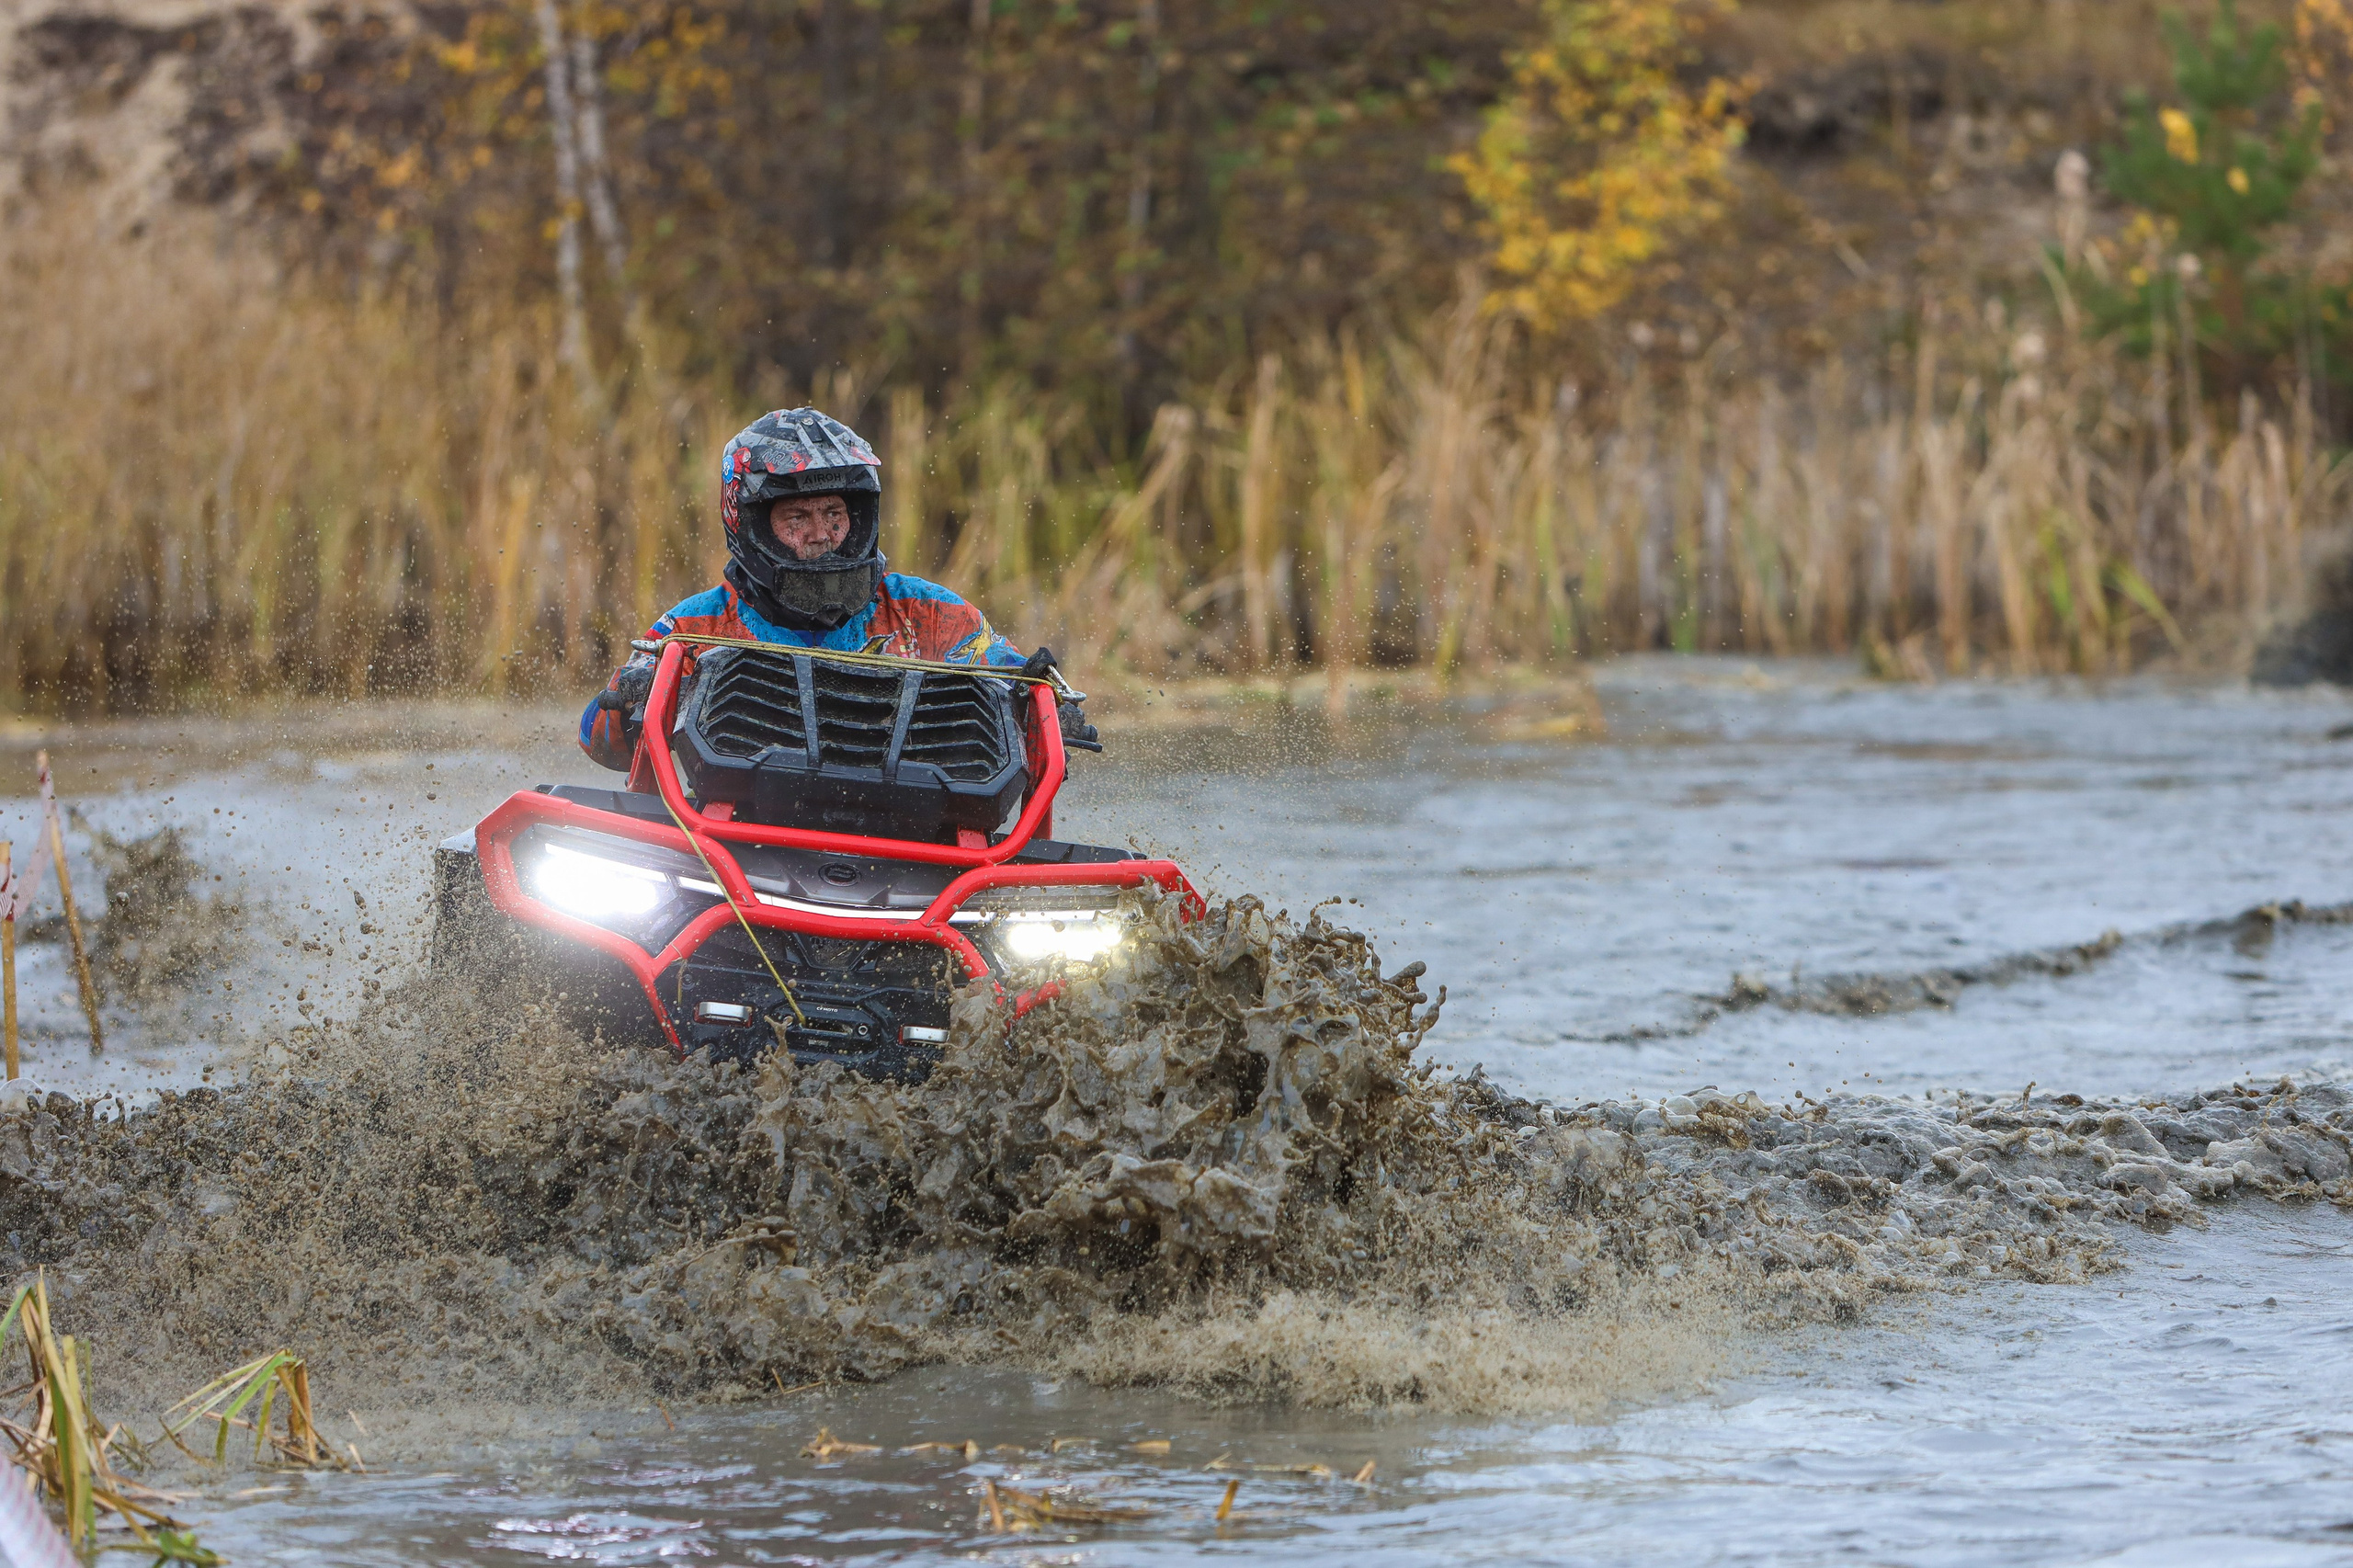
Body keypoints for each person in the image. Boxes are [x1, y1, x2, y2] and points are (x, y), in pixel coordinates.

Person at [581, 407, 1095, 769]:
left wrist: (1044, 709)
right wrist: (636, 702)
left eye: (834, 514)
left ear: (859, 518)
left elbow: (1015, 681)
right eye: (796, 518)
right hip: (737, 839)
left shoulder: (930, 613)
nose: (821, 535)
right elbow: (598, 740)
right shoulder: (695, 626)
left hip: (916, 845)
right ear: (749, 524)